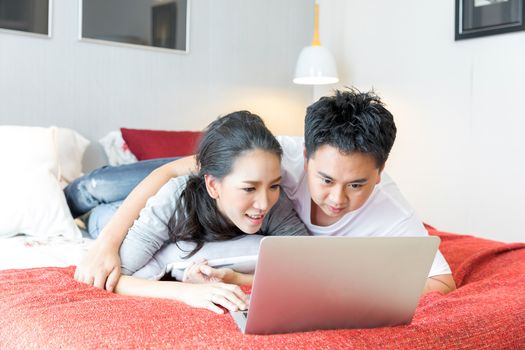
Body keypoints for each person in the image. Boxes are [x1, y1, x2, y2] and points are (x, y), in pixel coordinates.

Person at [74, 88, 456, 295]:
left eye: (357, 185)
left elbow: (441, 282)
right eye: (324, 180)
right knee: (97, 192)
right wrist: (105, 244)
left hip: (203, 207)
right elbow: (172, 172)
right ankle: (77, 197)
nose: (337, 199)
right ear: (304, 158)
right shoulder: (272, 159)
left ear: (380, 172)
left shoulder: (388, 210)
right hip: (179, 187)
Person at [87, 111, 307, 314]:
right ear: (213, 185)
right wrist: (186, 292)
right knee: (96, 189)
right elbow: (118, 278)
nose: (263, 203)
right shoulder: (174, 200)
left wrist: (237, 277)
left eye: (273, 186)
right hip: (117, 214)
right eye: (249, 188)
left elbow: (306, 266)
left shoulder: (274, 203)